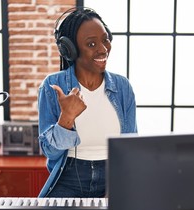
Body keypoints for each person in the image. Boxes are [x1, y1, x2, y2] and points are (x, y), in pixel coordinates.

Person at [37, 7, 137, 198]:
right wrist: (66, 118)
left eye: (105, 39)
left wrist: (116, 189)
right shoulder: (52, 85)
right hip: (68, 180)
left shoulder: (123, 87)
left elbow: (129, 148)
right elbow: (49, 152)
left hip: (113, 178)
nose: (103, 49)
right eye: (91, 44)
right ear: (70, 49)